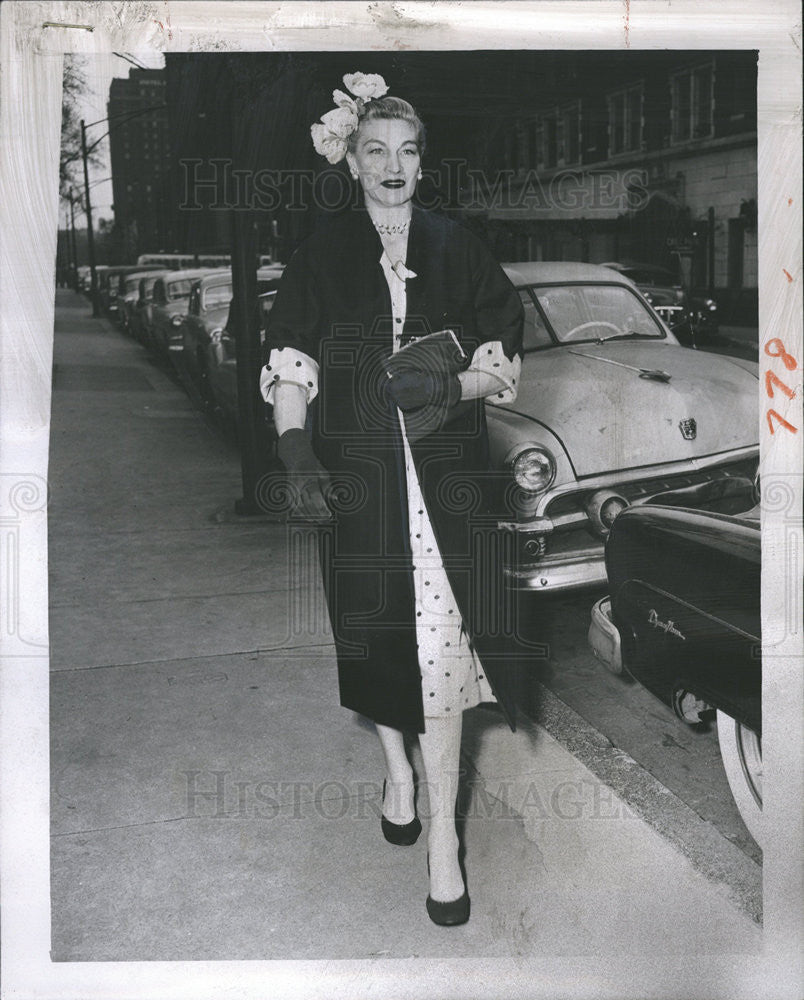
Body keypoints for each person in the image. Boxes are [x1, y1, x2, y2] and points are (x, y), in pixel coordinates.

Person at [260, 72, 525, 926]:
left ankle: (444, 842)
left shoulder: (459, 245)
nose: (393, 165)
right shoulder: (318, 257)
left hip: (446, 486)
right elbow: (291, 366)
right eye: (375, 150)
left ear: (423, 161)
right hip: (360, 484)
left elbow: (501, 356)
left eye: (408, 150)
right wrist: (296, 451)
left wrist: (454, 389)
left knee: (446, 660)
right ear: (349, 161)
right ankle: (398, 770)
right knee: (374, 642)